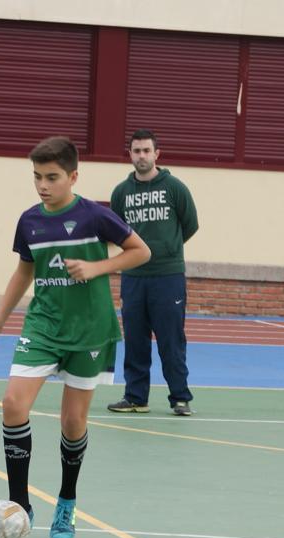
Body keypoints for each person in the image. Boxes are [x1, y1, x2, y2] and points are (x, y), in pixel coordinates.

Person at [0, 136, 151, 538]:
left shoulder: (94, 216)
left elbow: (140, 251)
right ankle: (21, 505)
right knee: (13, 404)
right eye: (37, 177)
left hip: (90, 330)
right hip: (43, 326)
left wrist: (97, 267)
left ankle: (67, 503)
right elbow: (23, 272)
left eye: (52, 177)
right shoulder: (30, 220)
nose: (42, 185)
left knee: (73, 422)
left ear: (73, 176)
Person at [107, 128, 198, 416]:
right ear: (130, 154)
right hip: (133, 278)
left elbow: (190, 224)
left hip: (167, 277)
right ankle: (135, 397)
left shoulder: (175, 188)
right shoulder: (121, 193)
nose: (142, 156)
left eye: (147, 150)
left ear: (157, 154)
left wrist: (167, 250)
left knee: (171, 340)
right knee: (135, 340)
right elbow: (116, 231)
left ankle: (180, 398)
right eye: (137, 151)